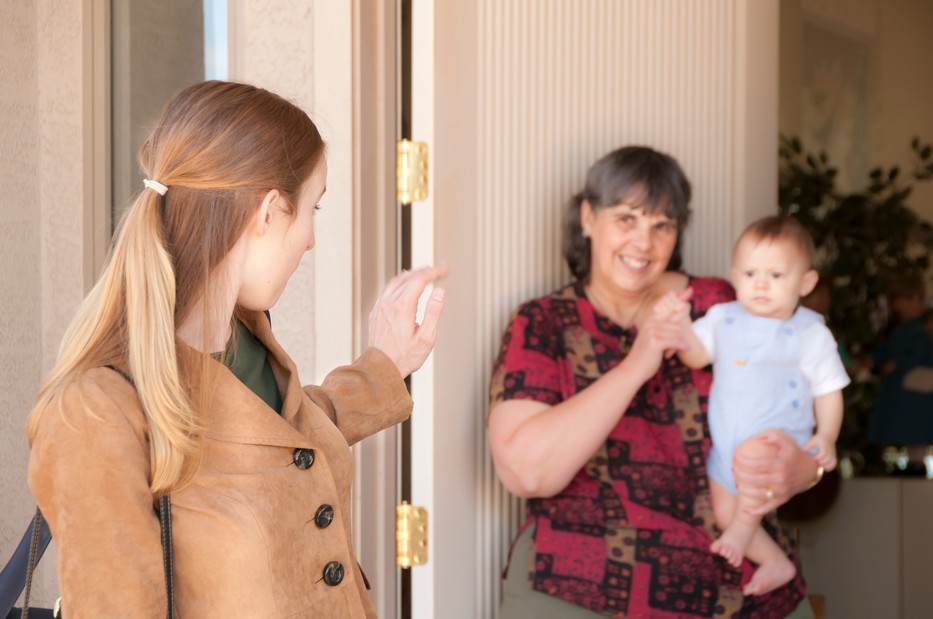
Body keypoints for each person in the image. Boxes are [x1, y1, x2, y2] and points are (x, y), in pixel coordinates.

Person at [26, 80, 447, 618]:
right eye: (313, 210)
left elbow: (284, 435)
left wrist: (384, 365)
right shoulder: (95, 408)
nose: (311, 241)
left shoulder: (246, 340)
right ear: (269, 212)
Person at [488, 145, 824, 619]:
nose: (643, 244)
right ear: (588, 217)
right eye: (626, 219)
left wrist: (806, 469)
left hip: (737, 586)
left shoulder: (725, 307)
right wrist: (637, 363)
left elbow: (812, 405)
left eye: (661, 225)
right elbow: (526, 473)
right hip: (582, 586)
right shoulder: (544, 323)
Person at [655, 216, 850, 596]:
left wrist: (826, 436)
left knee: (742, 503)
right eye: (749, 273)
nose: (761, 284)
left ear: (805, 283)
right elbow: (696, 356)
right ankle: (775, 561)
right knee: (724, 510)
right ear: (734, 276)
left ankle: (743, 532)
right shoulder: (723, 318)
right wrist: (680, 329)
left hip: (777, 439)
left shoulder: (811, 334)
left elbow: (830, 390)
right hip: (727, 445)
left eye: (776, 275)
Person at [867, 274, 933, 449]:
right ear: (896, 303)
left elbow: (918, 353)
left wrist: (898, 364)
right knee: (904, 425)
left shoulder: (921, 330)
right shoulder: (897, 330)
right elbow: (885, 350)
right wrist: (873, 360)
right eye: (911, 299)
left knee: (916, 427)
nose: (917, 303)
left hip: (914, 389)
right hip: (900, 389)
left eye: (920, 298)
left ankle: (915, 462)